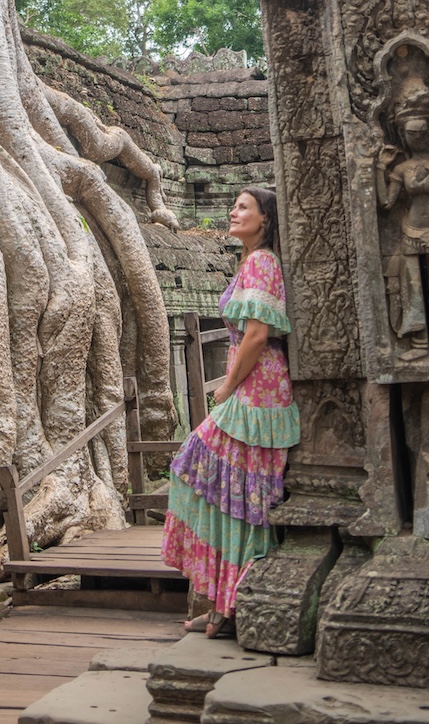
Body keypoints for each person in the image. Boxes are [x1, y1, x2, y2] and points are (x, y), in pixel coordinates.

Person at [162, 187, 300, 638]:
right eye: (234, 205)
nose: (232, 211)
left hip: (259, 392)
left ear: (265, 219)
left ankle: (235, 602)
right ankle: (223, 602)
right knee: (231, 494)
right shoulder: (251, 261)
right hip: (257, 388)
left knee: (231, 491)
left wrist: (227, 386)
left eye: (243, 207)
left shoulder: (262, 262)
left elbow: (257, 335)